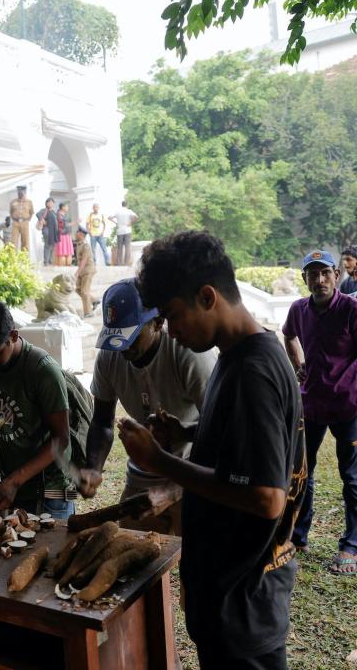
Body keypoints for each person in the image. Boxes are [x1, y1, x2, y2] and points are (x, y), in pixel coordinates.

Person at [118, 231, 304, 669]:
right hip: (232, 596)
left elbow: (266, 497)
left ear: (207, 296)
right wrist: (186, 433)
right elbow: (248, 442)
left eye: (174, 316)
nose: (172, 332)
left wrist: (160, 462)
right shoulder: (239, 355)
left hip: (243, 605)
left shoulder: (253, 372)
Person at [83, 279, 216, 535]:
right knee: (136, 551)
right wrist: (93, 467)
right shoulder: (110, 357)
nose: (122, 346)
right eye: (116, 337)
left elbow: (221, 432)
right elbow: (101, 420)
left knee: (194, 557)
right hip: (144, 471)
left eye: (131, 337)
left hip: (193, 468)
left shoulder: (188, 355)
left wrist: (178, 488)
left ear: (157, 323)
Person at [0, 298, 81, 518]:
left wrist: (15, 479)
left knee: (51, 550)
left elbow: (61, 439)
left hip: (53, 491)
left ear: (13, 336)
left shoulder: (43, 372)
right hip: (16, 486)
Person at [282, 249, 357, 574]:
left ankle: (351, 546)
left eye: (325, 272)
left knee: (351, 477)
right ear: (305, 279)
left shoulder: (351, 309)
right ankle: (299, 537)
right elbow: (288, 335)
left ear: (336, 276)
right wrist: (297, 365)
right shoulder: (299, 309)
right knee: (302, 473)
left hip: (349, 404)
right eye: (313, 274)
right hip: (310, 403)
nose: (320, 279)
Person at [74, 226, 95, 317]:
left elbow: (84, 260)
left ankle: (88, 312)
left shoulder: (86, 245)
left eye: (77, 232)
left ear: (81, 234)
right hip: (82, 271)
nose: (76, 234)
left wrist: (77, 272)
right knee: (78, 289)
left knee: (84, 292)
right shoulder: (79, 244)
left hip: (87, 270)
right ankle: (94, 300)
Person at [109, 200, 138, 266]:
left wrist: (116, 223)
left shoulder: (118, 211)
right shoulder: (129, 211)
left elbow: (109, 217)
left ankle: (119, 263)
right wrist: (130, 223)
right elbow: (136, 217)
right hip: (128, 231)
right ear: (127, 205)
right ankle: (126, 263)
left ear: (122, 205)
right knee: (127, 247)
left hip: (120, 231)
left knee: (119, 248)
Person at [9, 186, 35, 252]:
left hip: (25, 223)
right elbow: (11, 212)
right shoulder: (13, 202)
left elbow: (31, 213)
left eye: (21, 192)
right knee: (13, 241)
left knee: (25, 241)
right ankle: (13, 259)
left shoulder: (29, 202)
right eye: (19, 192)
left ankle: (24, 259)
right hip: (15, 223)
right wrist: (14, 219)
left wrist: (27, 220)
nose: (20, 193)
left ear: (25, 192)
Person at [37, 198, 59, 266]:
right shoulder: (44, 210)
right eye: (49, 202)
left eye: (52, 203)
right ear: (46, 203)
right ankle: (46, 261)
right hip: (47, 231)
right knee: (47, 245)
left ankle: (50, 261)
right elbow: (38, 214)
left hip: (53, 231)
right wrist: (42, 220)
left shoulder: (53, 211)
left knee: (52, 246)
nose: (51, 204)